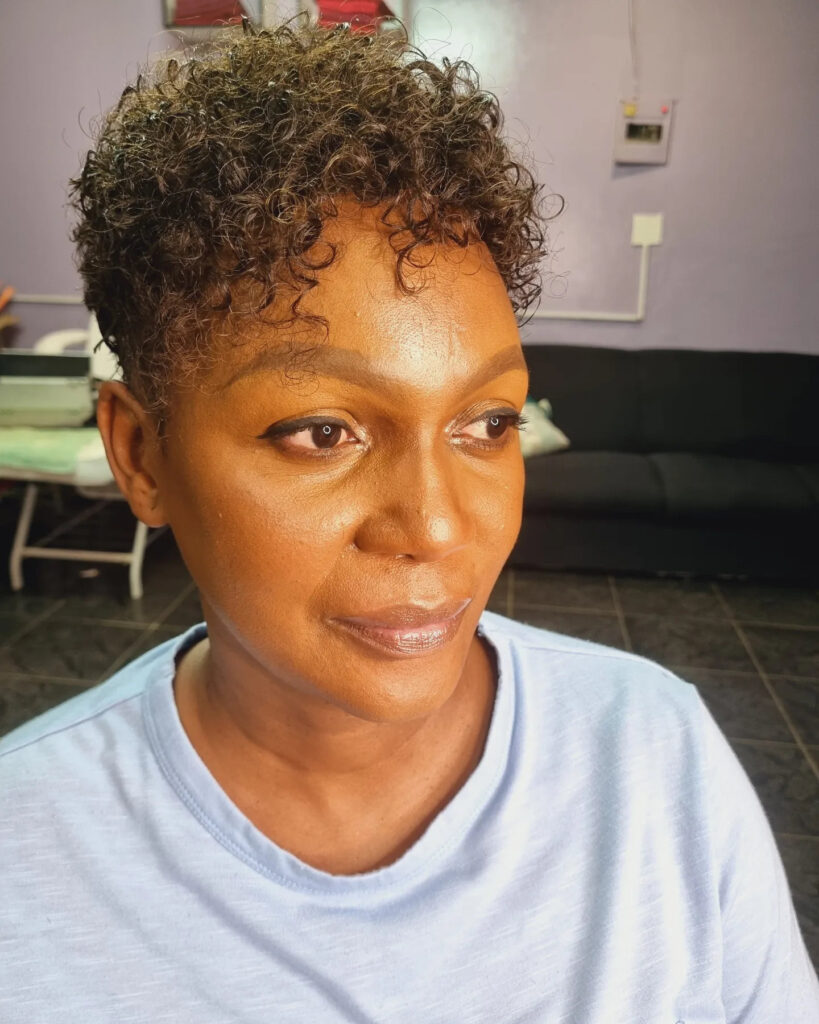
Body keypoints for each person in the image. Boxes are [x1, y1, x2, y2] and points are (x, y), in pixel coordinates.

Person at [1, 17, 817, 1023]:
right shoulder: (22, 860)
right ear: (141, 455)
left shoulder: (655, 758)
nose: (437, 528)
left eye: (488, 421)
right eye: (319, 430)